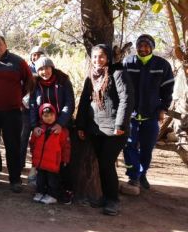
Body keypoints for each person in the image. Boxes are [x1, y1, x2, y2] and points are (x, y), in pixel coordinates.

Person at [76, 44, 134, 216]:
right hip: (95, 128)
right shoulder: (91, 77)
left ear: (108, 57)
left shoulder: (118, 74)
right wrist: (80, 125)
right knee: (101, 164)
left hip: (115, 131)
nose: (97, 60)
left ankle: (112, 200)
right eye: (94, 57)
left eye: (101, 56)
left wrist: (120, 125)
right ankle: (103, 195)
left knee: (107, 164)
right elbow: (85, 102)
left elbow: (127, 100)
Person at [0, 34, 33, 192]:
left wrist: (18, 96)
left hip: (12, 112)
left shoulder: (18, 61)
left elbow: (29, 81)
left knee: (13, 145)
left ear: (5, 44)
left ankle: (15, 179)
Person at [122, 34, 174, 194]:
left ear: (152, 47)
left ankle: (142, 174)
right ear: (136, 47)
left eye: (146, 46)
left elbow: (167, 90)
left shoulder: (162, 65)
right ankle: (133, 176)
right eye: (140, 46)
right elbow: (120, 87)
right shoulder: (128, 62)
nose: (143, 49)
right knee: (129, 145)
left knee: (147, 148)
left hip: (151, 115)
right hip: (131, 115)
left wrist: (163, 109)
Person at [29, 56, 75, 202]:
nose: (44, 71)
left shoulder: (63, 81)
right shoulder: (35, 84)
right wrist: (34, 125)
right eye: (40, 69)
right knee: (43, 159)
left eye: (47, 67)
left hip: (61, 126)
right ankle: (42, 190)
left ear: (52, 67)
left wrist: (60, 123)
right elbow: (32, 107)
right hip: (42, 127)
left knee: (59, 161)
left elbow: (69, 103)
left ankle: (59, 192)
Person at [30, 104, 71, 204]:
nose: (49, 118)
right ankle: (40, 192)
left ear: (55, 115)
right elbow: (32, 143)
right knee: (40, 179)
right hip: (40, 161)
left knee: (52, 180)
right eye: (45, 116)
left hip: (53, 162)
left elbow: (66, 146)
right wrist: (33, 155)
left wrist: (65, 159)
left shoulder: (61, 130)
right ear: (41, 116)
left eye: (51, 115)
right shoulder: (38, 129)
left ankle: (52, 195)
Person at [20, 45, 46, 180]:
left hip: (41, 112)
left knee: (38, 140)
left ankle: (36, 166)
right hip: (25, 110)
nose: (36, 57)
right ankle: (20, 164)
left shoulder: (48, 70)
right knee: (22, 137)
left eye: (39, 54)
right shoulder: (26, 69)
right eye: (34, 54)